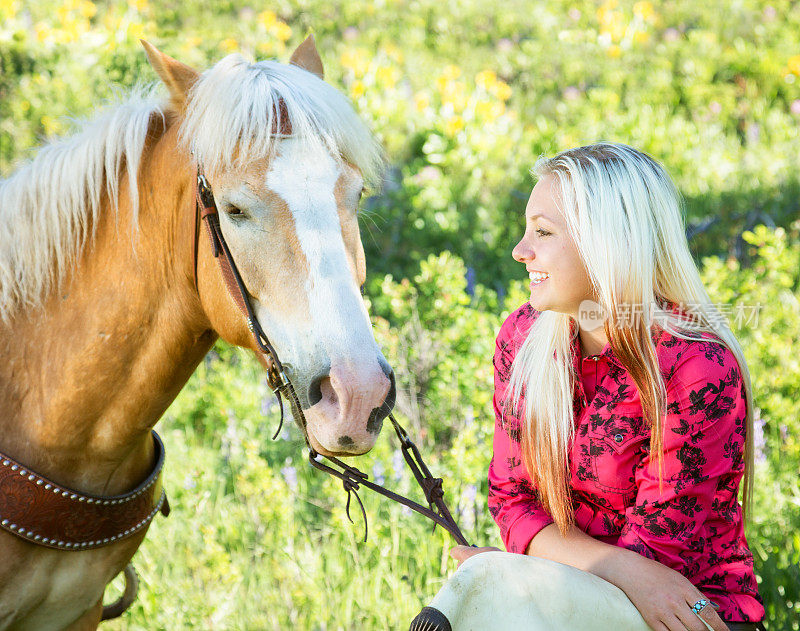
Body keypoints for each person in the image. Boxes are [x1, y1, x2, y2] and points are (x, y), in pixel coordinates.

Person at [450, 142, 765, 631]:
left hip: (686, 613)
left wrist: (522, 572)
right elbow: (512, 500)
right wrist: (527, 574)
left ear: (605, 243)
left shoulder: (695, 368)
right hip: (576, 596)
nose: (520, 250)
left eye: (543, 232)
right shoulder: (525, 338)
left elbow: (658, 558)